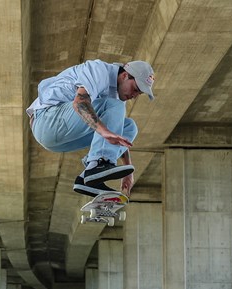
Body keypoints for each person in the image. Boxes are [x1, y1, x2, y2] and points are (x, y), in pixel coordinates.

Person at [26, 59, 155, 197]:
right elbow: (80, 103)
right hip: (46, 121)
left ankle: (88, 179)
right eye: (135, 89)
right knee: (114, 106)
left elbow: (118, 134)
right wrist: (104, 131)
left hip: (61, 139)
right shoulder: (99, 70)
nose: (134, 96)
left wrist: (128, 170)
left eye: (138, 94)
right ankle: (98, 164)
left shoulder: (115, 97)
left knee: (130, 126)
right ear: (124, 76)